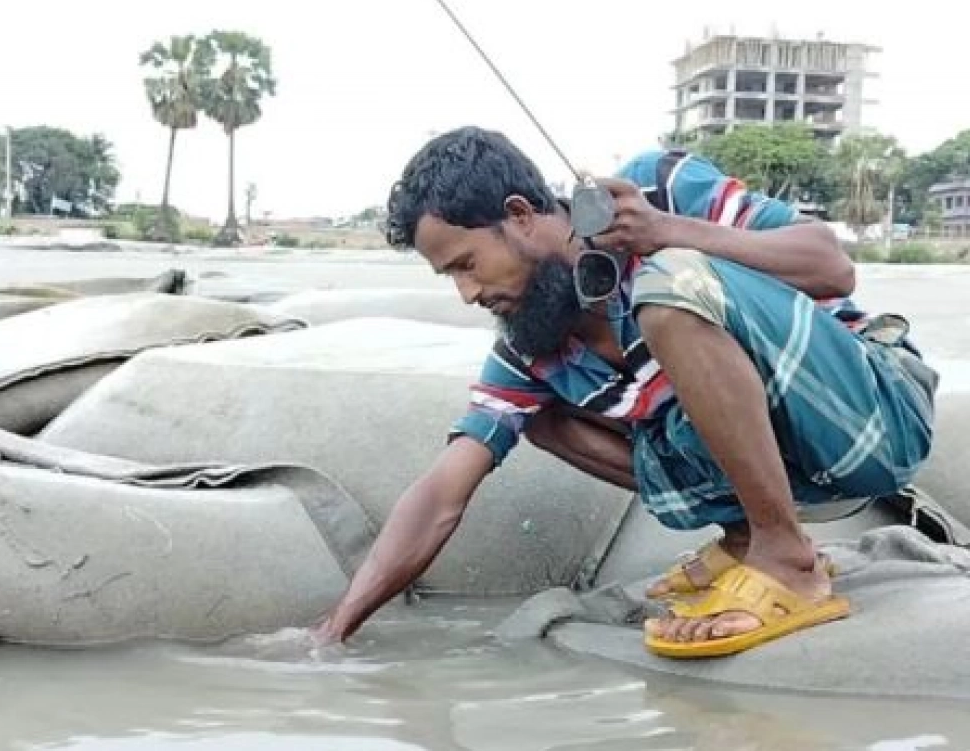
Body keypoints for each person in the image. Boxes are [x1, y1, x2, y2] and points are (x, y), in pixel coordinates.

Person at [311, 126, 936, 658]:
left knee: (667, 286)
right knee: (539, 417)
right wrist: (334, 630)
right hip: (800, 475)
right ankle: (748, 536)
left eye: (466, 265)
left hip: (870, 415)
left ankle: (788, 562)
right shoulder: (530, 345)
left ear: (521, 217)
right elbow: (443, 492)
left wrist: (667, 230)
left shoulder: (658, 189)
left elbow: (832, 265)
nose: (467, 294)